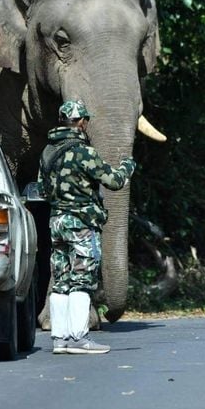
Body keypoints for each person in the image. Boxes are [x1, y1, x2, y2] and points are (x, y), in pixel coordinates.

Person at [37, 99, 136, 355]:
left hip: (56, 222)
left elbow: (42, 190)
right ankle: (79, 338)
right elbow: (114, 181)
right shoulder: (84, 153)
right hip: (81, 224)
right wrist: (128, 166)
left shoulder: (47, 152)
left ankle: (60, 338)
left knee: (61, 279)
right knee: (82, 278)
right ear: (82, 122)